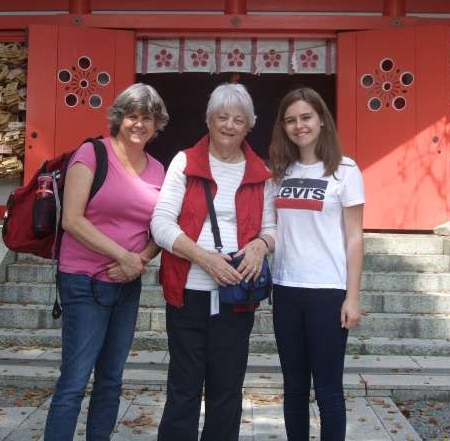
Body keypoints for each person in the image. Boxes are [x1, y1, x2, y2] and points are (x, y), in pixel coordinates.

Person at [150, 83, 276, 441]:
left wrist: (260, 245)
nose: (229, 125)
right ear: (209, 120)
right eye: (222, 117)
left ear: (249, 126)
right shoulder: (185, 162)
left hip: (236, 296)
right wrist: (204, 258)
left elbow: (272, 228)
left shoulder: (259, 170)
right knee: (184, 386)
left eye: (239, 119)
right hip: (188, 291)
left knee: (227, 389)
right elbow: (160, 223)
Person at [44, 83, 169, 441]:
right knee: (75, 379)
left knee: (112, 379)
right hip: (84, 281)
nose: (139, 124)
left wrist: (140, 259)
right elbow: (72, 219)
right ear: (119, 118)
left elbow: (160, 226)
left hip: (127, 283)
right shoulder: (92, 154)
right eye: (132, 116)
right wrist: (123, 256)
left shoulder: (159, 170)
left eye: (147, 118)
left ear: (156, 123)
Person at [268, 87, 365, 441]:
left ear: (321, 119)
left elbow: (355, 236)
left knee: (328, 389)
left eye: (306, 117)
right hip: (287, 289)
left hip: (327, 290)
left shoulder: (345, 171)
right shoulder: (279, 172)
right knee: (293, 387)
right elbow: (273, 228)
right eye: (291, 120)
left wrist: (352, 297)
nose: (299, 126)